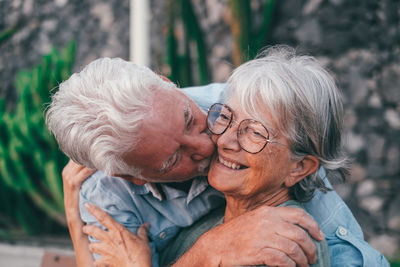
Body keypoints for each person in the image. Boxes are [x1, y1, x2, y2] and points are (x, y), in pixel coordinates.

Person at [47, 53, 389, 267]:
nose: (215, 141)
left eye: (187, 119)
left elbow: (336, 244)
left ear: (167, 84)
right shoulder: (107, 193)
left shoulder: (240, 105)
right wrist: (208, 252)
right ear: (131, 176)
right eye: (172, 159)